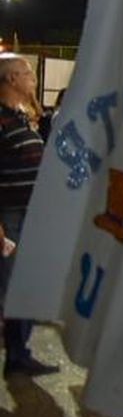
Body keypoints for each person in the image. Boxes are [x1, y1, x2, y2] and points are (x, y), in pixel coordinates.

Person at [0, 54, 57, 378]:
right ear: (11, 80)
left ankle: (19, 354)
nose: (33, 79)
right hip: (10, 217)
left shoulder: (20, 117)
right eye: (27, 74)